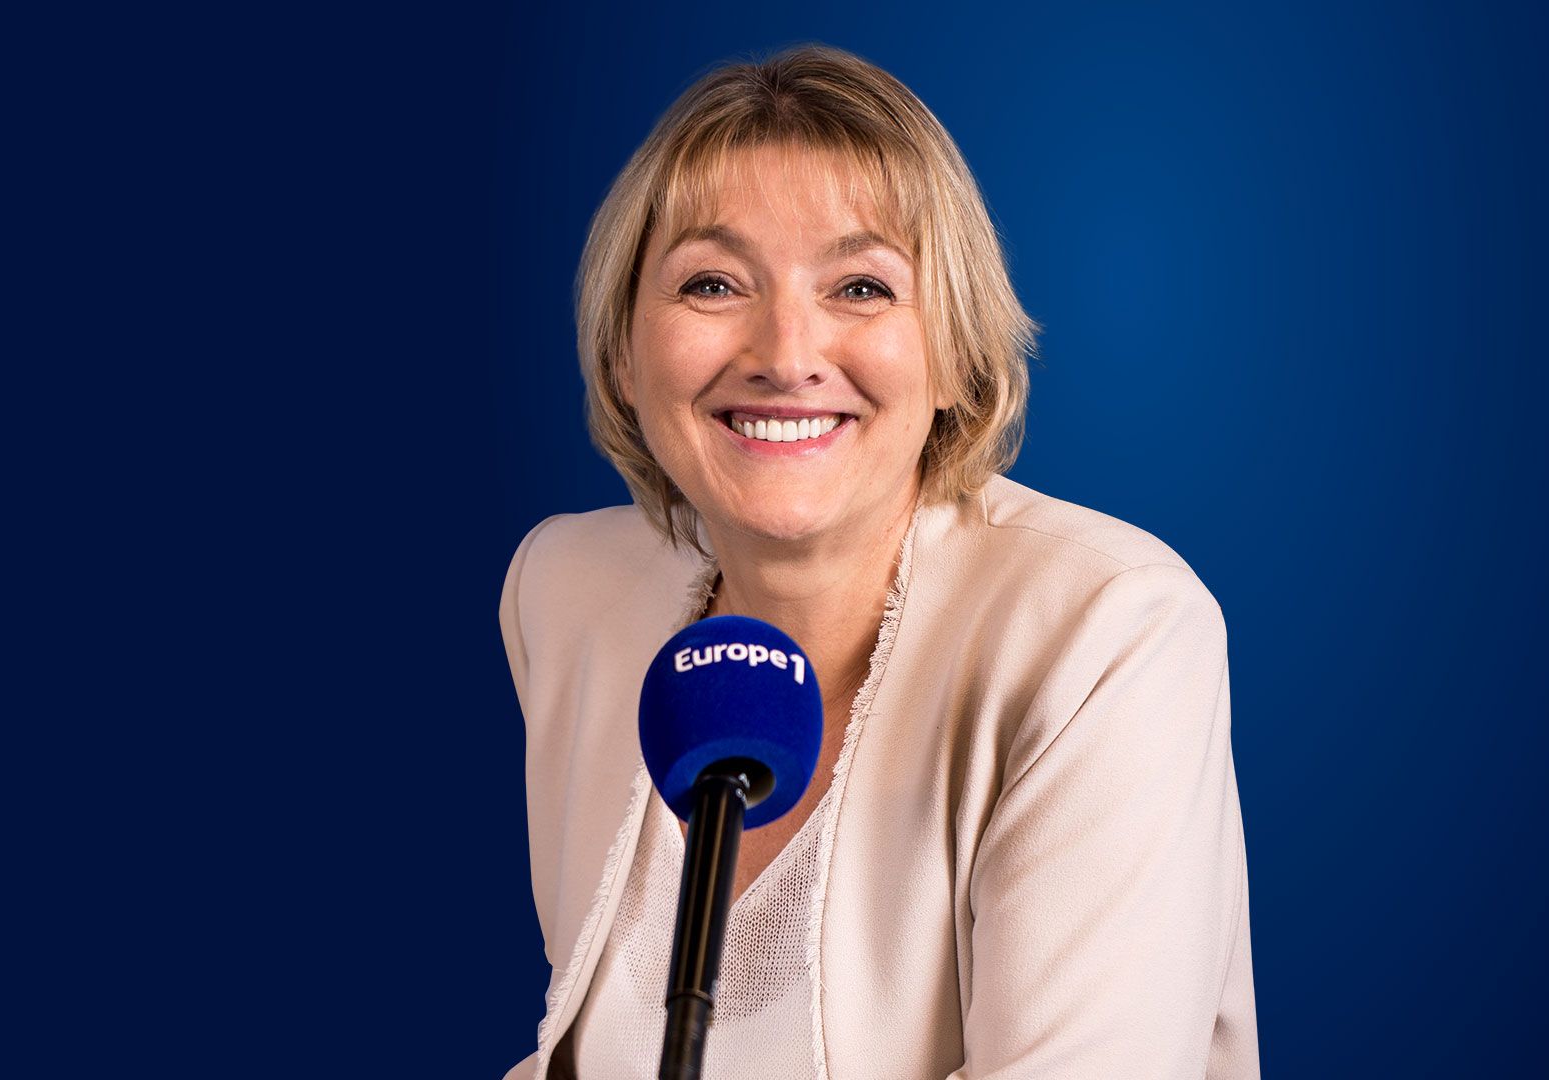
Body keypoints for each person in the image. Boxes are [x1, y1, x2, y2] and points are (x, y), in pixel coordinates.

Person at [499, 44, 1259, 1079]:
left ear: (953, 354)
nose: (785, 354)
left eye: (861, 287)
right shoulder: (567, 594)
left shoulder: (1109, 630)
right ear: (626, 353)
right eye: (713, 283)